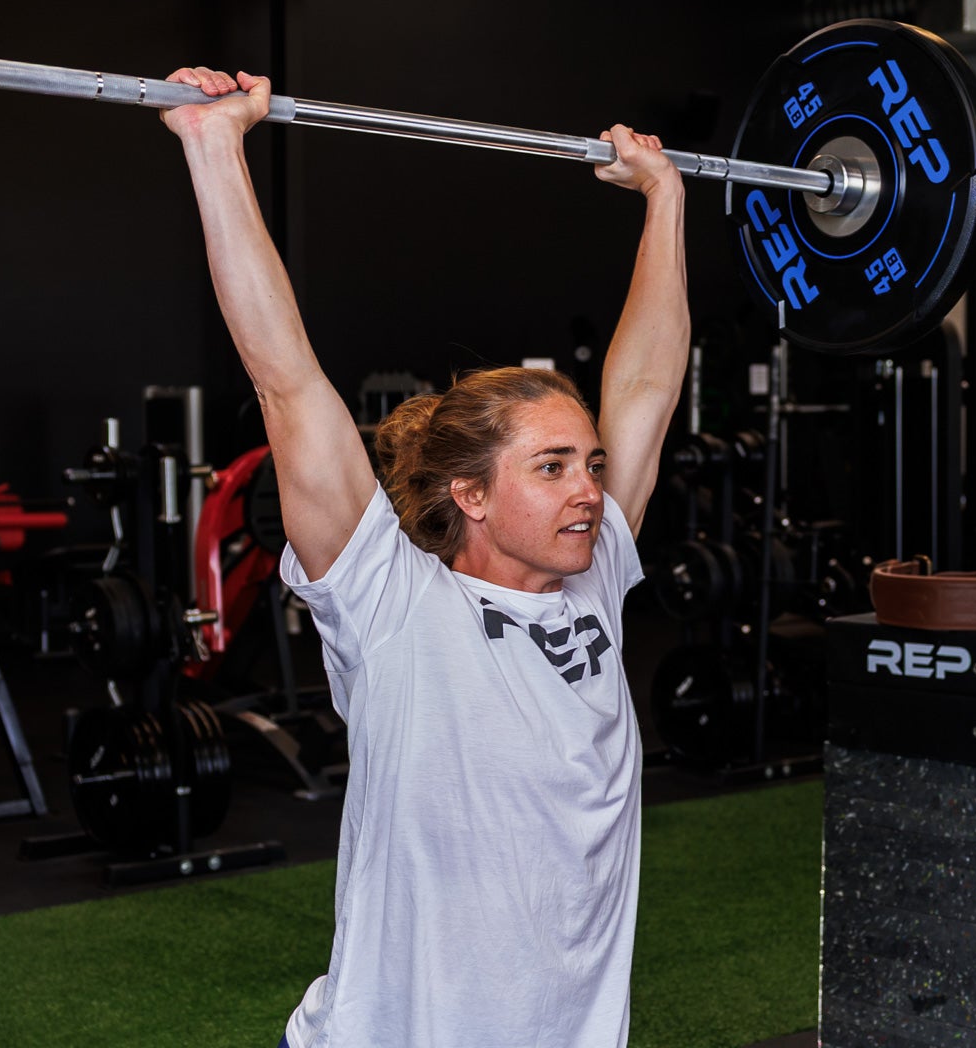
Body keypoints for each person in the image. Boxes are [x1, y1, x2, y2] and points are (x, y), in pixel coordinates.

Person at [160, 66, 689, 1048]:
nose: (589, 488)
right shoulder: (391, 602)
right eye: (553, 465)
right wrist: (213, 144)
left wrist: (664, 198)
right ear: (471, 494)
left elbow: (651, 377)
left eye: (592, 463)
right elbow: (287, 380)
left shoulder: (599, 578)